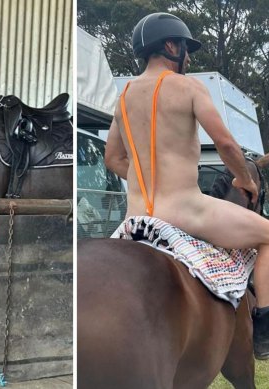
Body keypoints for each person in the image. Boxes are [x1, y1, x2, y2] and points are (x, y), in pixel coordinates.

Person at [105, 11, 269, 359]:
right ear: (169, 45)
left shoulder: (123, 97)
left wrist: (145, 178)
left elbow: (113, 160)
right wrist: (243, 178)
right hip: (186, 211)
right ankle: (264, 330)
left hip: (134, 220)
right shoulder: (190, 87)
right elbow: (225, 144)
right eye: (185, 48)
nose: (189, 57)